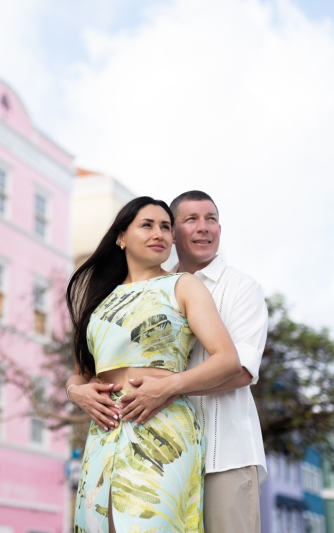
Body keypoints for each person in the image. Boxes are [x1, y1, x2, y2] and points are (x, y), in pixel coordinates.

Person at [65, 196, 241, 532]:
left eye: (165, 227)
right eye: (147, 225)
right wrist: (77, 393)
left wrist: (168, 387)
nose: (159, 233)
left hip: (162, 430)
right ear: (121, 236)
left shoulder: (182, 285)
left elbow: (227, 359)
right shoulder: (99, 300)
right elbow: (80, 374)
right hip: (105, 432)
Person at [116, 190, 269, 533]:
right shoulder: (152, 289)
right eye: (191, 220)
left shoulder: (242, 287)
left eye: (211, 219)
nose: (204, 228)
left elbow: (242, 370)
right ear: (173, 233)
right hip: (161, 454)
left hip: (224, 456)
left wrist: (167, 389)